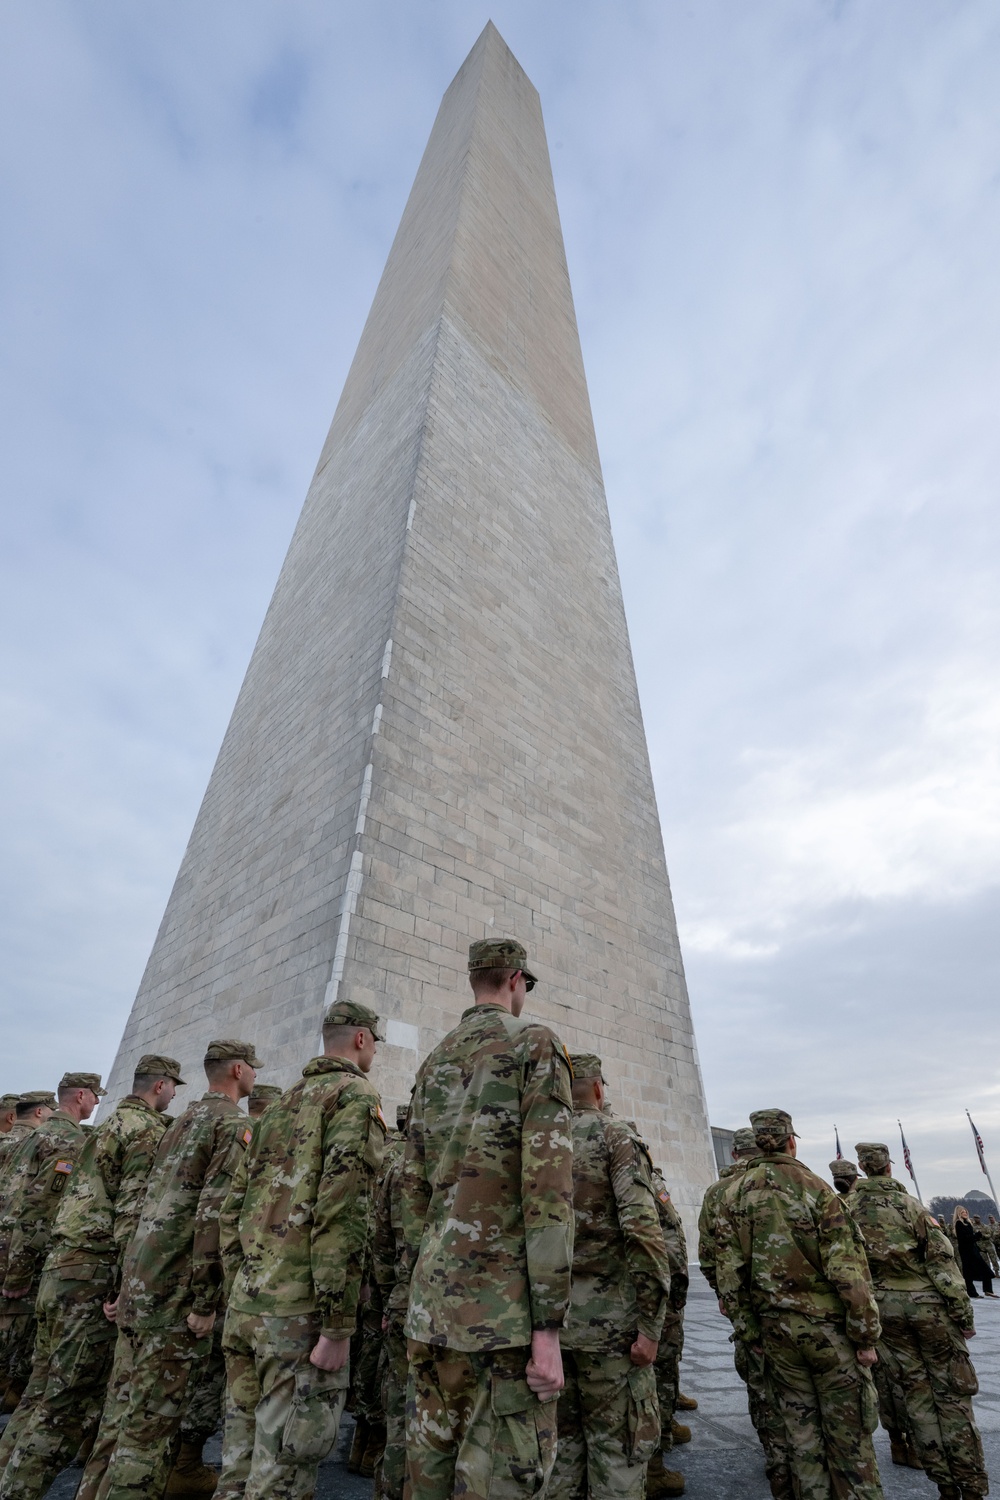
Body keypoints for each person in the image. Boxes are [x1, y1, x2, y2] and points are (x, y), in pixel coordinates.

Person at [400, 937, 575, 1500]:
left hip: (433, 1307)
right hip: (504, 1320)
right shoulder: (534, 1045)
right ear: (517, 981)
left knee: (427, 1471)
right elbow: (549, 1193)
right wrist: (548, 1327)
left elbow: (411, 1190)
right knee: (503, 1479)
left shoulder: (436, 1060)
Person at [216, 999, 385, 1500]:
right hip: (299, 1314)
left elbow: (232, 1211)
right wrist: (337, 1323)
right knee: (282, 1473)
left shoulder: (281, 1103)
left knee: (238, 1463)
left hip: (248, 1306)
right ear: (361, 1039)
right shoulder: (354, 1097)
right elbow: (342, 1213)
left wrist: (239, 1289)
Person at [0, 1057, 182, 1498]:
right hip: (90, 1274)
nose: (175, 1094)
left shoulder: (103, 1128)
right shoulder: (142, 1131)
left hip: (60, 1270)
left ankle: (8, 1476)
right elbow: (129, 1213)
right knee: (64, 1406)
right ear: (160, 1085)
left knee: (40, 1394)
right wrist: (126, 1286)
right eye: (173, 1086)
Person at [88, 1039, 259, 1500]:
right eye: (253, 1070)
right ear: (238, 1070)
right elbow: (213, 1214)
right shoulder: (232, 1124)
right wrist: (205, 1300)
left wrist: (125, 1284)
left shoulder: (176, 1122)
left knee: (117, 1419)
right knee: (149, 1431)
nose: (256, 1077)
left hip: (142, 1280)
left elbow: (144, 1207)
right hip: (175, 1294)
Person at [716, 1108, 883, 1500]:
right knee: (850, 1441)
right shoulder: (815, 1187)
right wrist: (865, 1335)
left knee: (801, 1440)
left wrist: (749, 1330)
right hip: (830, 1333)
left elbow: (728, 1272)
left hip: (776, 1333)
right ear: (791, 1140)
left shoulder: (732, 1194)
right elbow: (848, 1271)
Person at [547, 1054, 670, 1500]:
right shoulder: (615, 1136)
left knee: (558, 1454)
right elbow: (643, 1232)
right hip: (611, 1331)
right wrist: (652, 1327)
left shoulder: (539, 1140)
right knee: (618, 1453)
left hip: (547, 1328)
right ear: (599, 1089)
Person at [851, 1143, 987, 1500]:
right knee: (954, 1396)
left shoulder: (846, 1210)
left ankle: (943, 1484)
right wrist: (962, 1313)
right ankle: (971, 1486)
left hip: (885, 1313)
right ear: (889, 1168)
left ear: (862, 1168)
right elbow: (941, 1263)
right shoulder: (909, 1206)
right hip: (927, 1309)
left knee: (916, 1397)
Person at [700, 1128, 793, 1500]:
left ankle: (777, 1458)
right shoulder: (798, 1181)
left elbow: (709, 1254)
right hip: (808, 1312)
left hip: (750, 1309)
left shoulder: (719, 1192)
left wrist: (725, 1295)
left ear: (736, 1153)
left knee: (761, 1382)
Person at [0, 1074, 104, 1405]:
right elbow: (40, 1208)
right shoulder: (68, 1140)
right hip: (27, 1259)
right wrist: (19, 1272)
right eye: (94, 1097)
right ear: (80, 1095)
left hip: (12, 1249)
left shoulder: (36, 1135)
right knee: (12, 1355)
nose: (97, 1103)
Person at [0, 1095, 56, 1413]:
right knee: (18, 1334)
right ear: (39, 1112)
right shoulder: (38, 1143)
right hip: (20, 1251)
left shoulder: (7, 1143)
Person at [371, 1106, 411, 1500]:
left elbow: (380, 1244)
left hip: (402, 1305)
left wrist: (387, 1301)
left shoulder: (397, 1170)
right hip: (462, 1315)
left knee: (398, 1416)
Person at [952, 1209, 995, 1299]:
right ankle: (972, 1292)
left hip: (973, 1249)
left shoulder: (968, 1223)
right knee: (968, 1273)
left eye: (966, 1212)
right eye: (963, 1212)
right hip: (966, 1251)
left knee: (985, 1270)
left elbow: (970, 1237)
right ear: (959, 1214)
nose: (965, 1213)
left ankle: (988, 1290)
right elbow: (964, 1238)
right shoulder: (959, 1223)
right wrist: (976, 1236)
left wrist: (975, 1237)